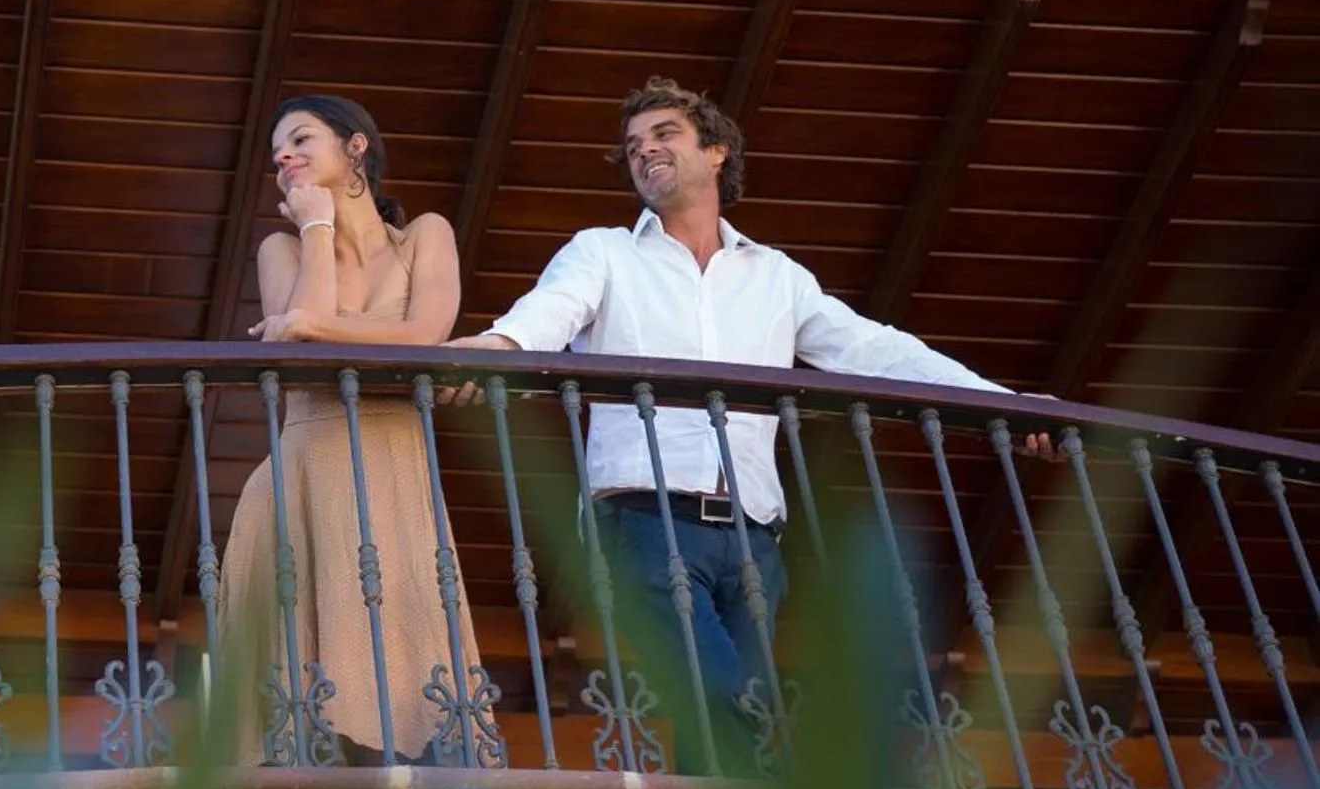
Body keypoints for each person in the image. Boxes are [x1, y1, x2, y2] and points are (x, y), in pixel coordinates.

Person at [448, 76, 1046, 731]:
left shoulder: (775, 276)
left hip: (753, 535)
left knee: (718, 727)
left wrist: (1000, 403)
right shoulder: (603, 252)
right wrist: (496, 343)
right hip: (644, 519)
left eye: (663, 134)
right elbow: (550, 312)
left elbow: (877, 351)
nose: (644, 151)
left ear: (715, 151)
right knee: (735, 703)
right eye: (632, 145)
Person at [218, 95, 486, 765]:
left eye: (301, 139)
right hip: (304, 472)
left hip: (394, 467)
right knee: (304, 701)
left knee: (404, 674)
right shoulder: (280, 245)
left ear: (357, 146)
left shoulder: (425, 234)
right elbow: (297, 352)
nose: (282, 157)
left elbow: (426, 336)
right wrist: (314, 227)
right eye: (277, 150)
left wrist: (315, 326)